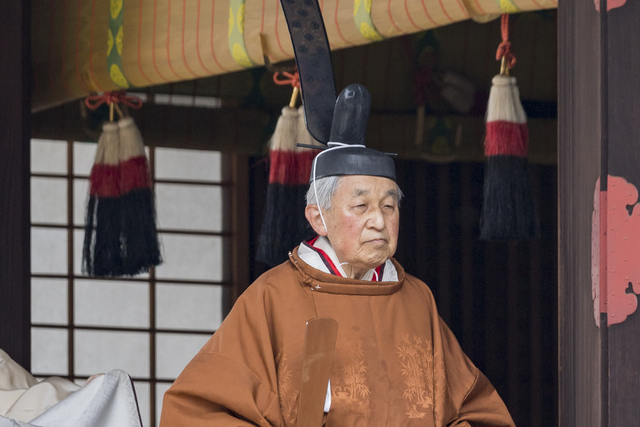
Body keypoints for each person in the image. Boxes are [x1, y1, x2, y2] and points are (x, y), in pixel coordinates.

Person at [160, 85, 514, 426]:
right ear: (318, 218)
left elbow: (473, 407)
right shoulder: (273, 297)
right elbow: (197, 412)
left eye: (389, 206)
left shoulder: (416, 299)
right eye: (361, 206)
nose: (379, 220)